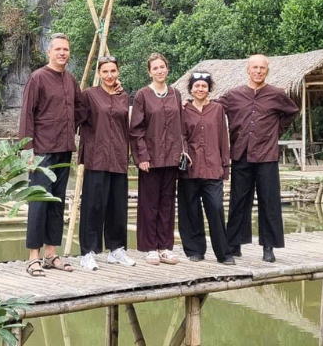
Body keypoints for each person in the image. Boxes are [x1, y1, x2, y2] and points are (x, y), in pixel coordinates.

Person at [216, 54, 299, 262]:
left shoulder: (277, 95)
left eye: (262, 68)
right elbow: (214, 109)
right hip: (241, 154)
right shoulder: (234, 95)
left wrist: (276, 132)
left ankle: (268, 247)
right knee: (238, 200)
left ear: (267, 71)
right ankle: (234, 244)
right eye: (255, 67)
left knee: (269, 201)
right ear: (248, 69)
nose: (258, 71)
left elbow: (292, 112)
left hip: (266, 155)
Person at [19, 33, 81, 276]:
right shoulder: (38, 78)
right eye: (58, 49)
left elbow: (81, 109)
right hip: (42, 151)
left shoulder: (70, 80)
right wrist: (27, 152)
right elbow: (26, 115)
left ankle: (50, 254)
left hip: (64, 149)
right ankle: (33, 257)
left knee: (57, 202)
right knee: (39, 202)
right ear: (49, 52)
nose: (62, 53)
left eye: (66, 49)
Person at [76, 56, 136, 271]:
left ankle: (116, 249)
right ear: (99, 74)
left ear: (118, 72)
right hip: (96, 157)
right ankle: (87, 252)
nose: (110, 75)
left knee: (117, 205)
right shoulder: (89, 96)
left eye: (113, 71)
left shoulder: (123, 96)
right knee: (93, 206)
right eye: (105, 72)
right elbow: (75, 118)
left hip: (118, 156)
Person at [130, 53, 184, 265]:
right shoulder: (143, 95)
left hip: (171, 158)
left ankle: (164, 247)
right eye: (155, 68)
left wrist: (181, 152)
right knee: (149, 204)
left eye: (163, 67)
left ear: (167, 69)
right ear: (149, 71)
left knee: (167, 204)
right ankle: (150, 247)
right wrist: (142, 156)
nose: (160, 71)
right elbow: (136, 129)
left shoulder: (175, 94)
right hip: (150, 159)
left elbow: (181, 127)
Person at [177, 72, 235, 265]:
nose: (200, 89)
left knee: (216, 208)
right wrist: (184, 152)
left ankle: (223, 254)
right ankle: (195, 250)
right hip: (190, 170)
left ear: (209, 88)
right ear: (191, 89)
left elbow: (223, 139)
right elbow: (181, 136)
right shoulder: (184, 110)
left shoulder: (218, 110)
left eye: (203, 86)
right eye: (196, 86)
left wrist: (225, 166)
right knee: (191, 211)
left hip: (213, 168)